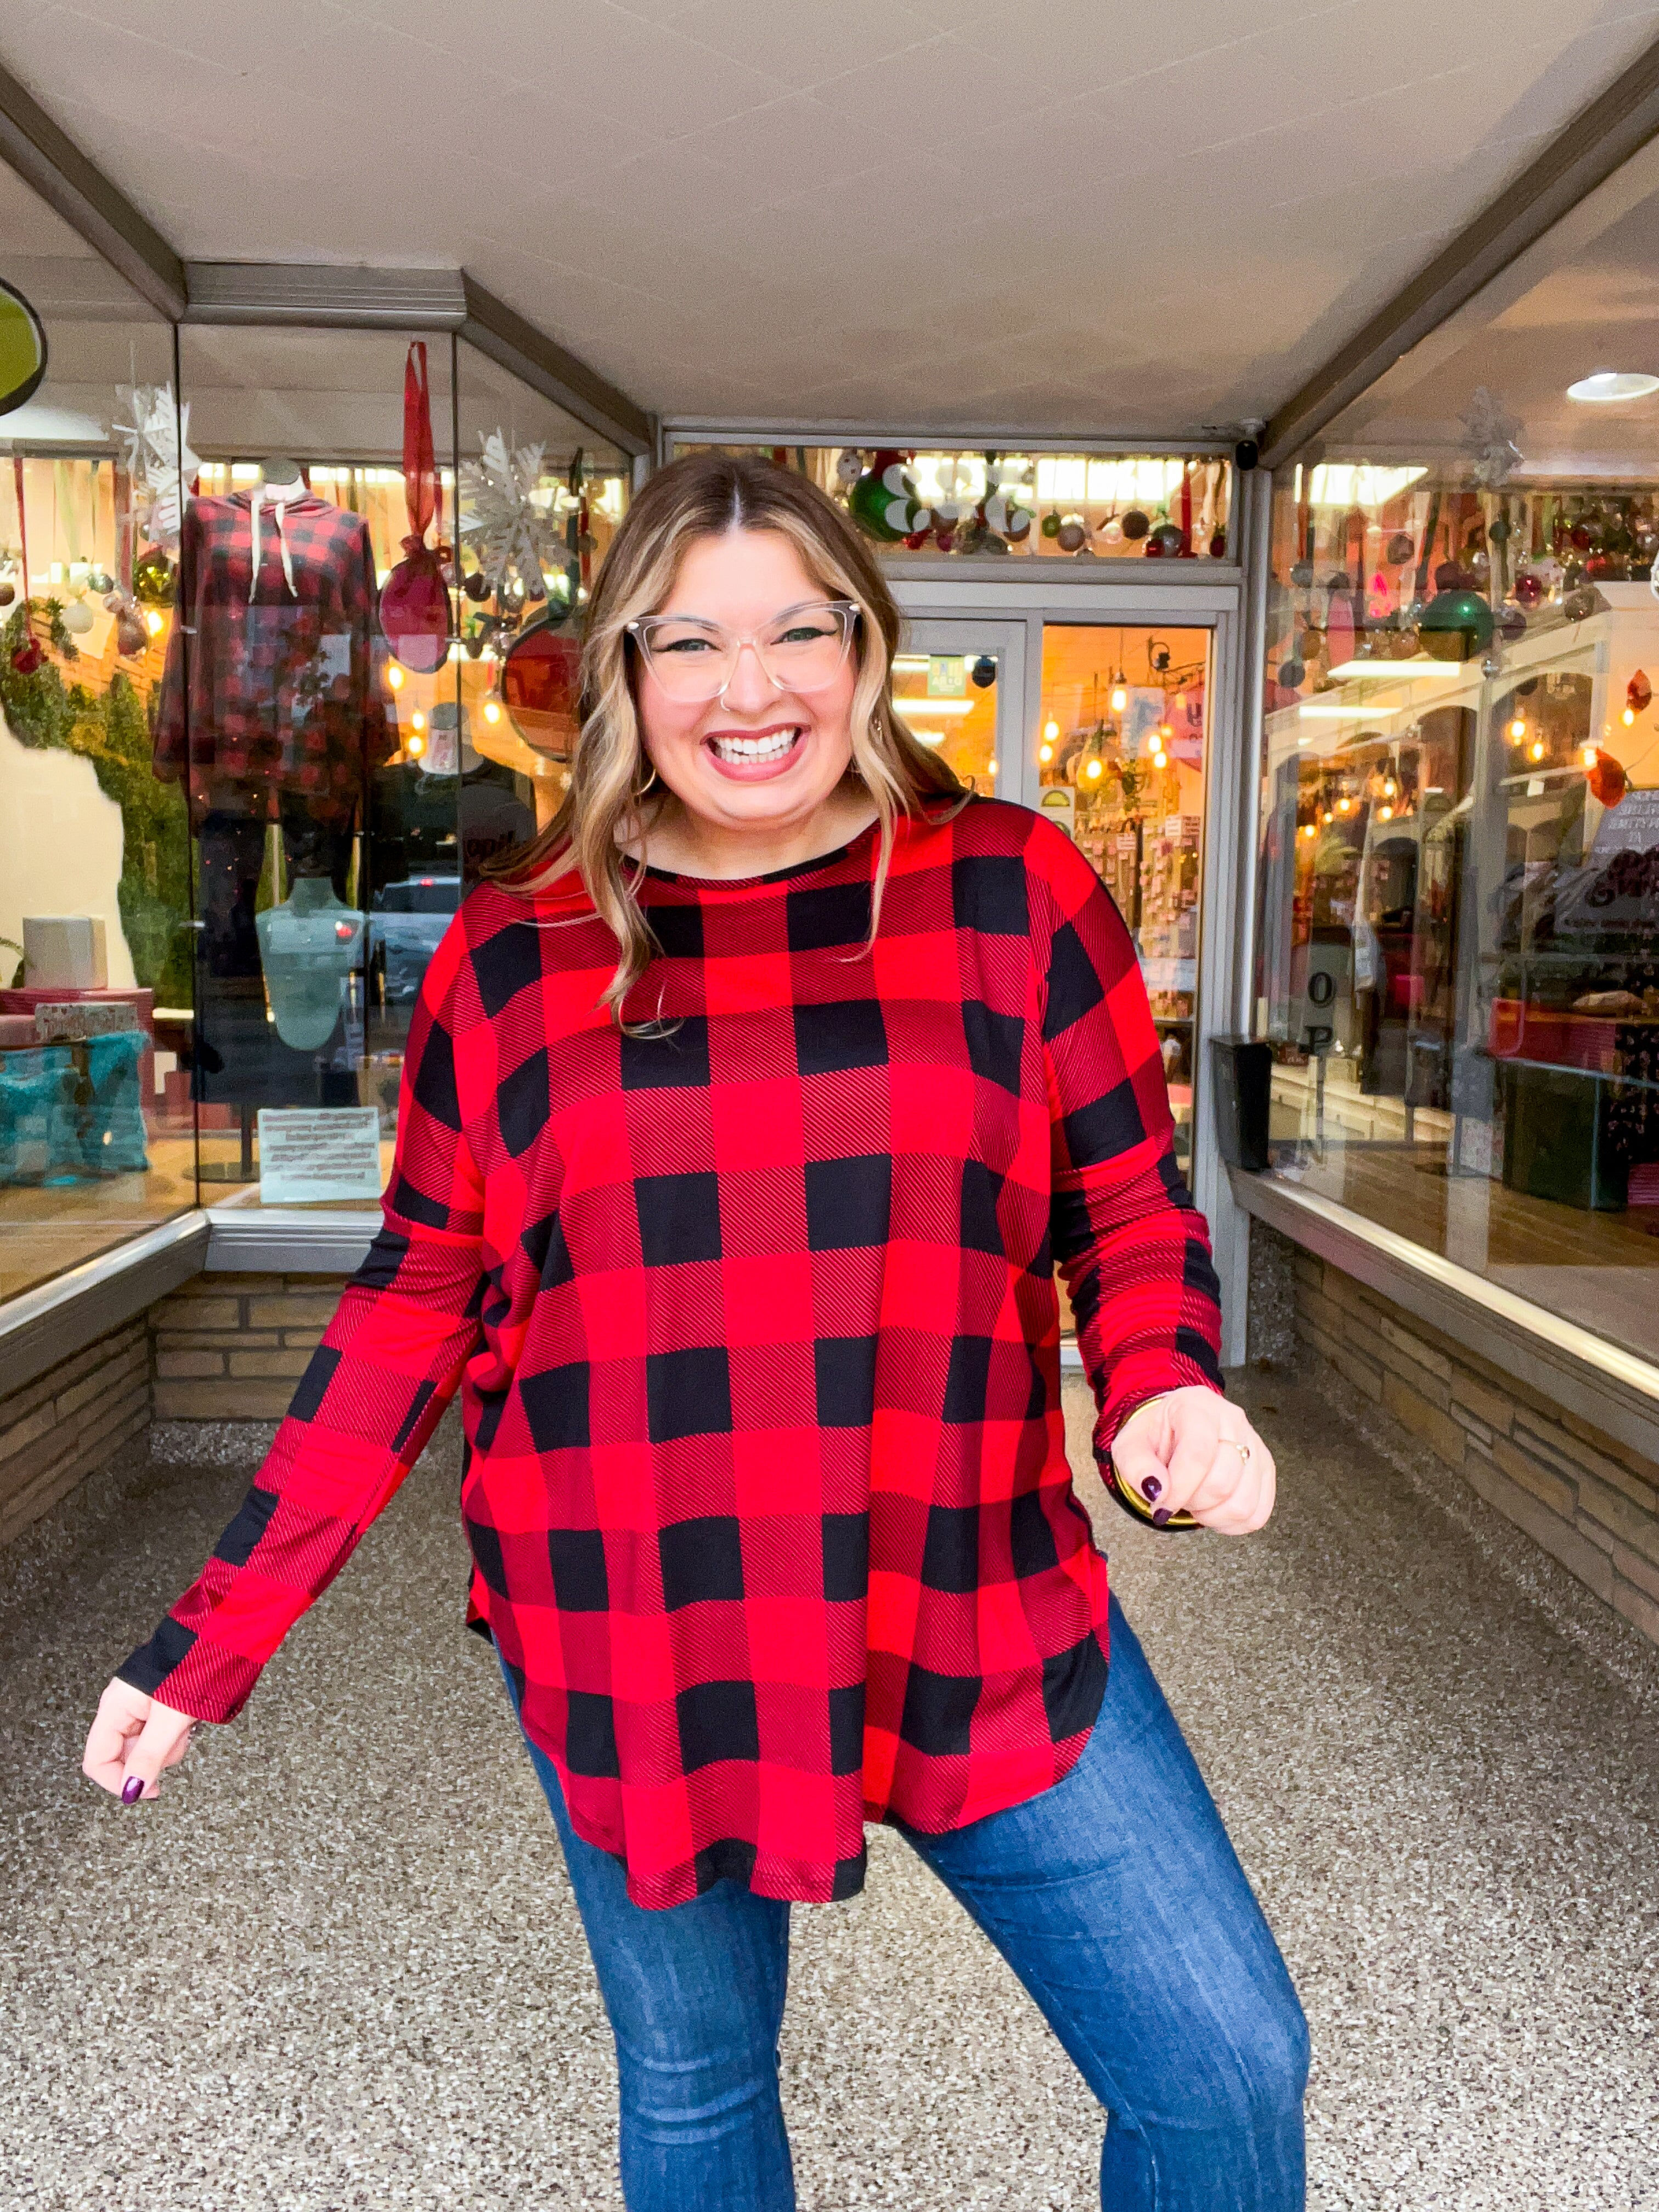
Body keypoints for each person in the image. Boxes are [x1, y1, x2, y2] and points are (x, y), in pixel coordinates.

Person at [83, 453, 1309, 2211]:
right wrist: (209, 1639)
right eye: (692, 644)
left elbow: (1125, 1206)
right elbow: (417, 1301)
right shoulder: (519, 954)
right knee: (698, 2097)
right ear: (625, 675)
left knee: (1225, 2064)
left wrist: (1169, 1374)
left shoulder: (1010, 890)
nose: (753, 690)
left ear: (868, 652)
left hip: (965, 1580)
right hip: (643, 1624)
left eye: (801, 631)